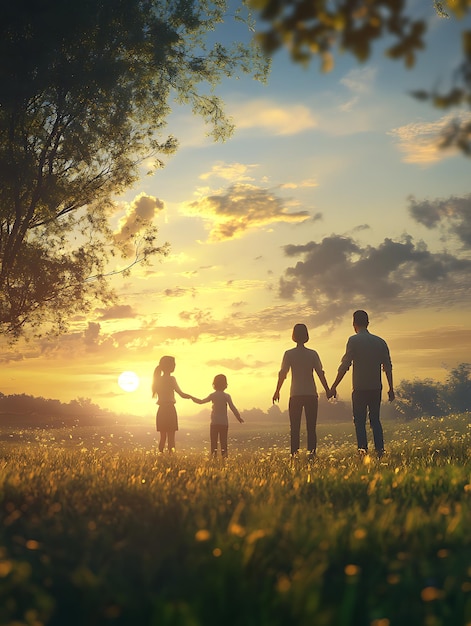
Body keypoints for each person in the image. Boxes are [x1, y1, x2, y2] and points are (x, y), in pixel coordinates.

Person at [330, 310, 394, 458]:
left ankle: (363, 452)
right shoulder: (380, 342)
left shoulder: (353, 340)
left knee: (359, 422)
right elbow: (387, 366)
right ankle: (380, 450)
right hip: (376, 387)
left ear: (354, 324)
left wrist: (334, 386)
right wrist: (391, 388)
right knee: (375, 420)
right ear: (368, 323)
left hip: (359, 388)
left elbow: (345, 365)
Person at [272, 323, 332, 459]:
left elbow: (283, 373)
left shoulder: (289, 354)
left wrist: (277, 391)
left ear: (293, 336)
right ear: (306, 336)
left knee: (295, 428)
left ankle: (294, 455)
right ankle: (312, 455)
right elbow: (320, 373)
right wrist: (328, 390)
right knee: (311, 428)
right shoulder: (312, 354)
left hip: (295, 394)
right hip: (311, 394)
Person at [190, 374, 243, 458]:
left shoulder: (213, 395)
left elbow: (201, 401)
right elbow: (233, 407)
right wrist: (239, 417)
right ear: (225, 384)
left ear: (214, 384)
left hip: (214, 423)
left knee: (213, 443)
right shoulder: (227, 396)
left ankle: (213, 459)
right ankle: (224, 459)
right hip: (224, 423)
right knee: (224, 443)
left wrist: (191, 397)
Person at [151, 355, 191, 453]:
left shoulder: (158, 379)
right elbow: (181, 394)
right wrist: (192, 397)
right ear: (169, 366)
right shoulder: (171, 379)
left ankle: (160, 456)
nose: (175, 366)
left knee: (162, 437)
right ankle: (171, 457)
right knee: (171, 437)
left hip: (161, 411)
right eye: (173, 364)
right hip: (170, 410)